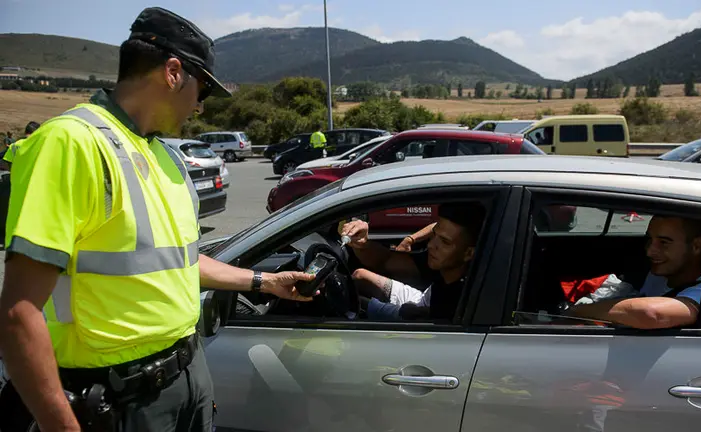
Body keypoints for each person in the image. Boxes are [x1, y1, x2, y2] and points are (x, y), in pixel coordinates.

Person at [0, 7, 318, 432]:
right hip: (117, 399)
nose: (200, 108)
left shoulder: (164, 155)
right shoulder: (71, 143)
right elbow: (19, 313)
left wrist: (262, 282)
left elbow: (177, 263)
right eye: (202, 92)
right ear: (173, 73)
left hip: (186, 379)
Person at [567, 215, 701, 329]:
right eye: (650, 239)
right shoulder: (660, 276)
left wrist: (575, 312)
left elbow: (652, 314)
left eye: (664, 242)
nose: (650, 251)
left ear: (697, 246)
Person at [341, 202, 485, 321]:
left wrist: (420, 313)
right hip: (423, 301)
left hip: (420, 316)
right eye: (434, 234)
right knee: (359, 276)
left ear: (469, 253)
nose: (430, 245)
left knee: (355, 305)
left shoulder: (459, 301)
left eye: (445, 242)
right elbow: (386, 260)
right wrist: (362, 243)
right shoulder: (446, 260)